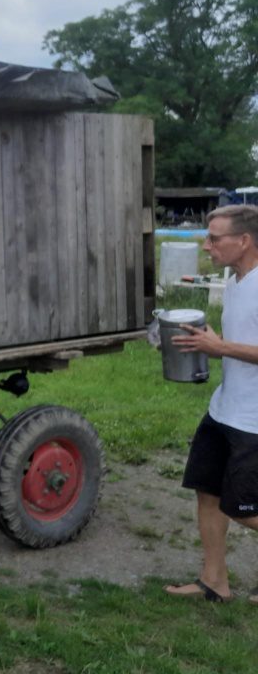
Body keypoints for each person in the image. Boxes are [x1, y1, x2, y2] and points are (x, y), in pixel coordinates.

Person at [165, 204, 258, 604]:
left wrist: (219, 346)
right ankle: (214, 582)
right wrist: (210, 341)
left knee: (242, 507)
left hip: (253, 421)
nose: (207, 246)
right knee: (207, 492)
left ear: (244, 240)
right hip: (224, 408)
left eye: (214, 238)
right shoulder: (236, 280)